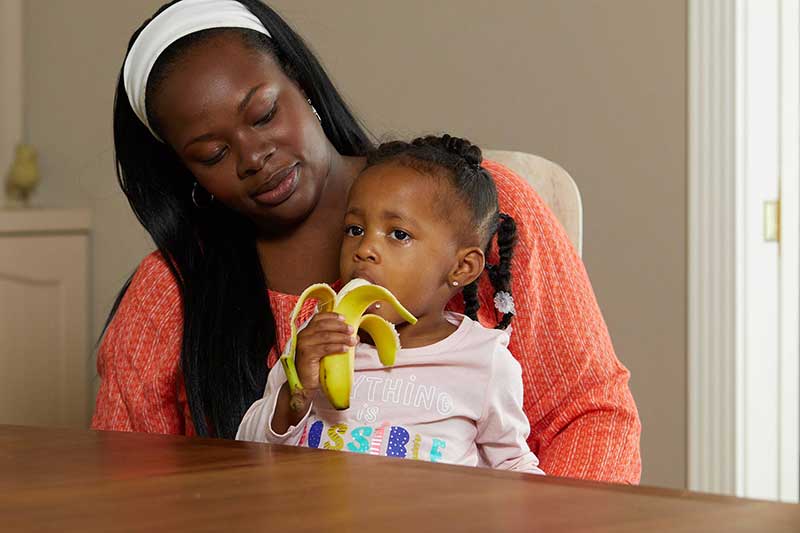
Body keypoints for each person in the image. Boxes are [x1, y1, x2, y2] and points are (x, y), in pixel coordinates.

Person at [92, 0, 641, 483]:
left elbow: (589, 415)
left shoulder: (480, 213)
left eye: (263, 114)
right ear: (187, 173)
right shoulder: (171, 292)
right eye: (212, 154)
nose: (253, 156)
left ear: (301, 85)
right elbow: (130, 480)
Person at [236, 135, 544, 475]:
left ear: (461, 268)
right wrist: (296, 394)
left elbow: (514, 464)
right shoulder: (316, 340)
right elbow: (248, 450)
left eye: (398, 234)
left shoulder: (483, 362)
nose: (364, 248)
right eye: (354, 229)